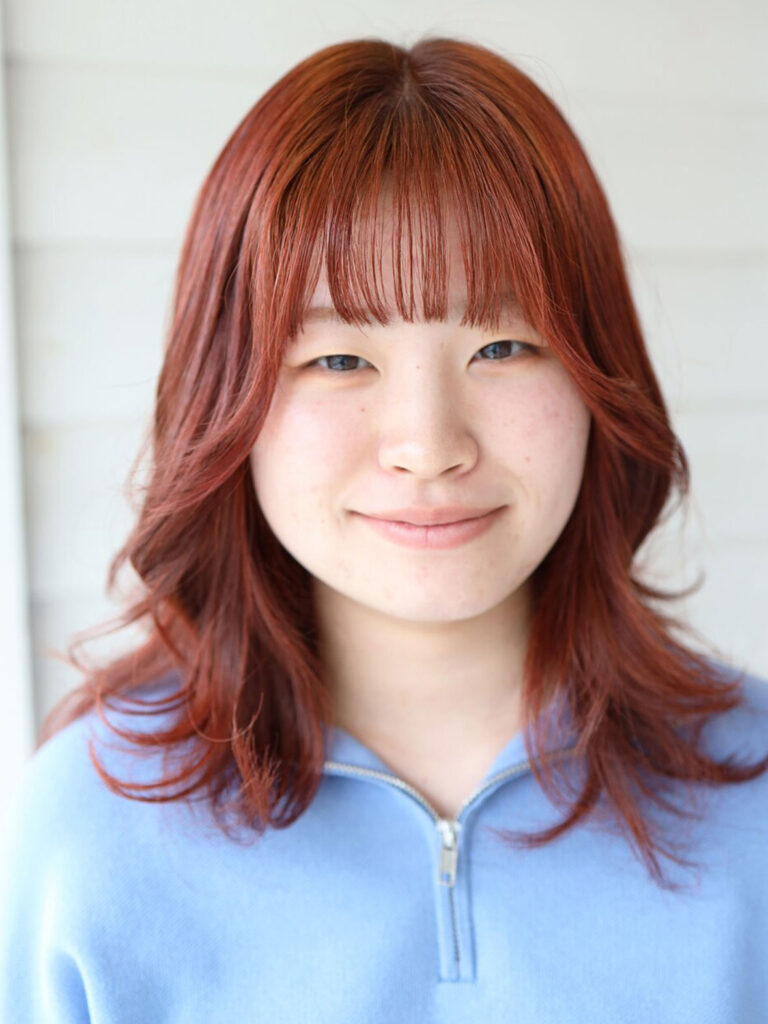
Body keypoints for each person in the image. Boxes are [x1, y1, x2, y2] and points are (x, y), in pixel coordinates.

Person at [1, 34, 767, 1024]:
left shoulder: (752, 793)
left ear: (597, 378)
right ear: (226, 398)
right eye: (338, 360)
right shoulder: (91, 828)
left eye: (504, 345)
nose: (428, 446)